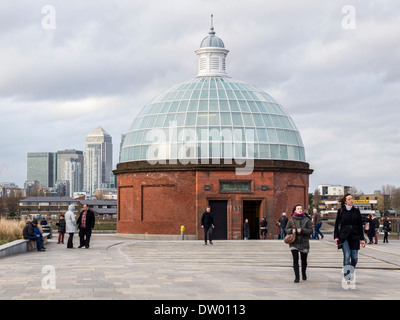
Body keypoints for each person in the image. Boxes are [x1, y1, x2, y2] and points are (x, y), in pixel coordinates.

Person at [334, 194, 366, 284]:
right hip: (344, 236)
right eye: (349, 199)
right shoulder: (341, 211)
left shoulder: (356, 211)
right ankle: (347, 276)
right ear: (345, 201)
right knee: (347, 256)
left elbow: (360, 226)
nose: (351, 200)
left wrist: (362, 239)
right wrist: (336, 237)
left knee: (354, 258)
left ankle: (350, 269)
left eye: (352, 198)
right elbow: (336, 225)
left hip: (355, 236)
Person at [285, 204, 313, 283]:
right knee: (295, 260)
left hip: (304, 242)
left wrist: (303, 231)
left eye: (301, 208)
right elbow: (286, 229)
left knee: (304, 261)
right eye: (298, 209)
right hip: (294, 242)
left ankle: (303, 273)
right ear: (295, 210)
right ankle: (297, 277)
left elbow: (311, 231)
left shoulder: (307, 219)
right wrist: (291, 230)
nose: (300, 210)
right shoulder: (291, 220)